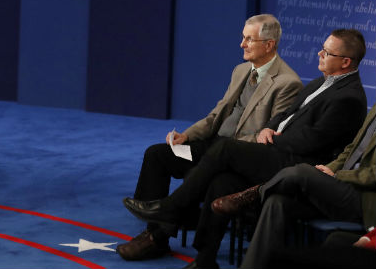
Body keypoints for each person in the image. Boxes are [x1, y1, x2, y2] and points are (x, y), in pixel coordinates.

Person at [123, 29, 368, 269]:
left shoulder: (348, 97)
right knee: (222, 181)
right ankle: (205, 257)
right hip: (277, 149)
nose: (319, 54)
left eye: (326, 52)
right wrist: (268, 129)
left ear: (345, 62)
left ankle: (170, 208)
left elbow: (314, 141)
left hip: (295, 163)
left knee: (226, 150)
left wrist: (273, 139)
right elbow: (285, 114)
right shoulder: (323, 81)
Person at [117, 14, 303, 260]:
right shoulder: (240, 70)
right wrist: (186, 135)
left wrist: (226, 150)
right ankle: (155, 228)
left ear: (269, 45)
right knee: (157, 154)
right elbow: (216, 115)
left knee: (201, 174)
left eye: (249, 39)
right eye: (243, 37)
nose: (242, 44)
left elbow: (267, 136)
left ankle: (158, 237)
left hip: (235, 156)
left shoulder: (288, 84)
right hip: (211, 145)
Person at [211, 101, 376, 268]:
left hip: (364, 199)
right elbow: (351, 149)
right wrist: (329, 168)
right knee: (277, 201)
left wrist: (338, 175)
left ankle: (255, 194)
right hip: (338, 187)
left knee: (302, 172)